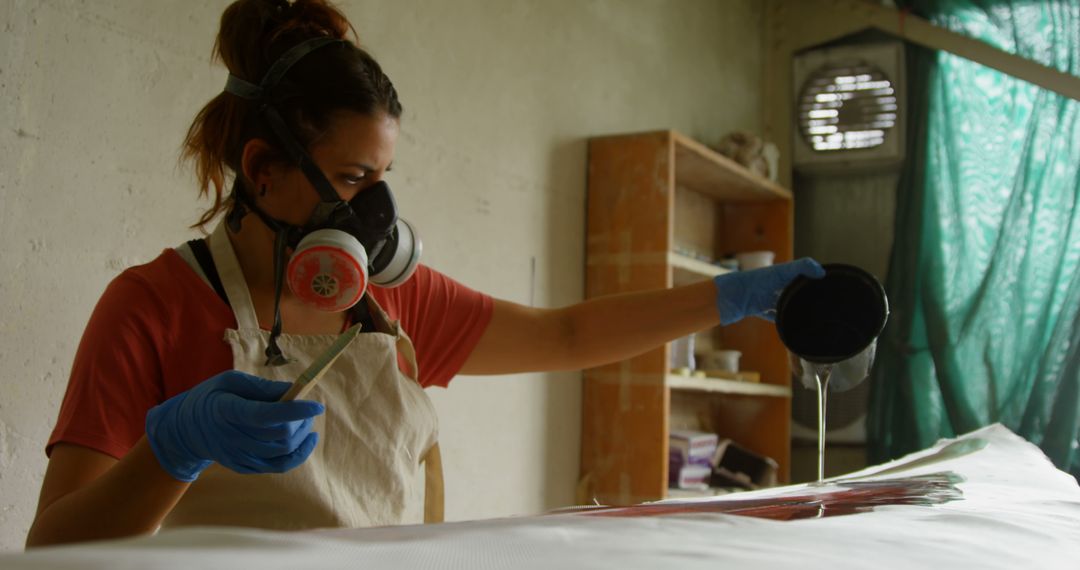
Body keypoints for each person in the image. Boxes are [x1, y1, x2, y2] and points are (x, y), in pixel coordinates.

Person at [25, 0, 823, 548]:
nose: (375, 215)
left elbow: (567, 333)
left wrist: (729, 299)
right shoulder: (152, 306)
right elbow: (52, 545)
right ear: (264, 170)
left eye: (382, 181)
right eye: (350, 181)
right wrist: (174, 450)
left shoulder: (391, 297)